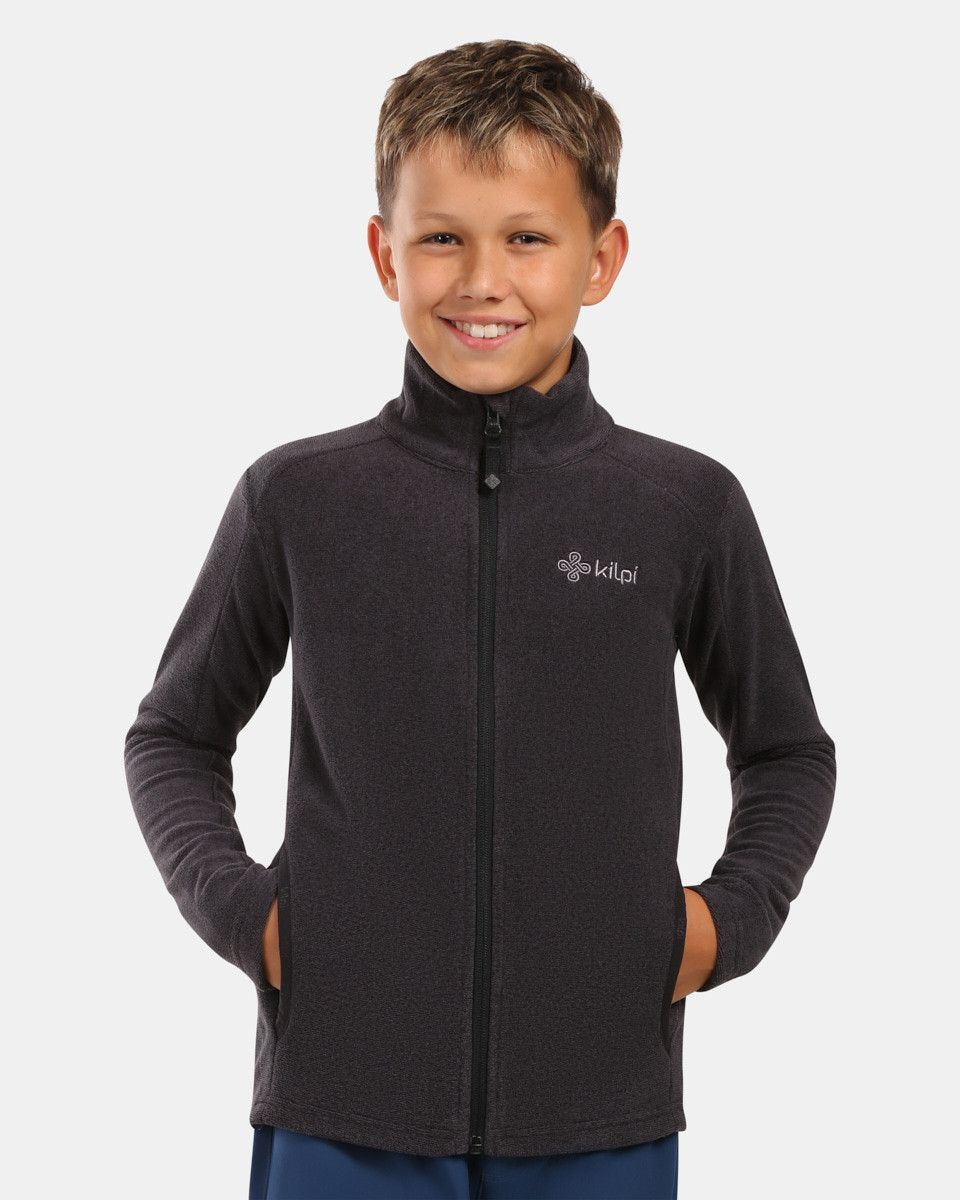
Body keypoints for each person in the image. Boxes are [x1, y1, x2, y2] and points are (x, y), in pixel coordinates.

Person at [124, 38, 837, 1200]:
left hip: (600, 1105)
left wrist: (724, 923)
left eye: (528, 239)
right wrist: (249, 913)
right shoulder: (299, 497)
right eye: (443, 238)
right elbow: (173, 734)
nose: (482, 281)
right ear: (383, 254)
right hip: (343, 1101)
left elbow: (787, 749)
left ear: (602, 258)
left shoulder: (683, 505)